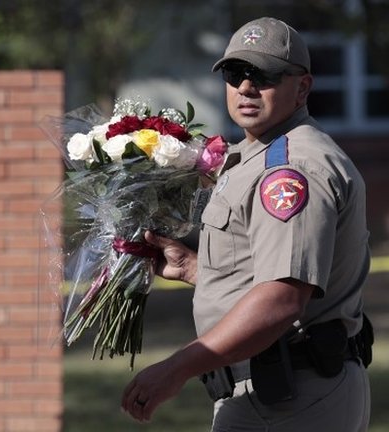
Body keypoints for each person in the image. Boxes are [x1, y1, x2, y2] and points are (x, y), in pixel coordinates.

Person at [120, 17, 372, 431]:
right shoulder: (258, 153)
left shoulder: (292, 168)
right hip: (273, 391)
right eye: (236, 73)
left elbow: (282, 298)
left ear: (303, 87)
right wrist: (195, 269)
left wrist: (176, 368)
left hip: (291, 397)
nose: (246, 87)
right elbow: (265, 273)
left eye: (265, 75)